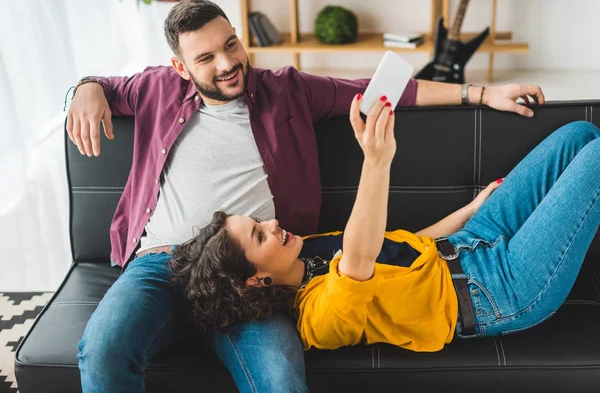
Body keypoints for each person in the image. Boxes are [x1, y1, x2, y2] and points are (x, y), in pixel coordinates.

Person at [68, 0, 547, 392]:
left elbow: (378, 91)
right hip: (162, 263)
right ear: (180, 67)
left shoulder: (287, 90)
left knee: (279, 380)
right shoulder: (154, 88)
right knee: (104, 350)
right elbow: (102, 87)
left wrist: (481, 94)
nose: (229, 63)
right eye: (206, 58)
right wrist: (86, 86)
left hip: (258, 277)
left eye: (230, 44)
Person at [169, 94, 600, 353]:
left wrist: (472, 210)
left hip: (471, 240)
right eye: (260, 234)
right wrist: (376, 160)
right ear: (256, 280)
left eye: (259, 221)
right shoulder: (317, 317)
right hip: (500, 290)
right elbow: (360, 254)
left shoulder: (306, 250)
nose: (274, 222)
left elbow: (408, 244)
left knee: (579, 135)